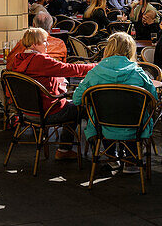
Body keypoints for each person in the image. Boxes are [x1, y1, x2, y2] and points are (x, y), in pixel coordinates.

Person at [72, 32, 157, 172]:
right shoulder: (138, 72)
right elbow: (154, 99)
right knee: (134, 113)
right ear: (131, 50)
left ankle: (111, 157)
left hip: (103, 127)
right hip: (134, 126)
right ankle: (131, 160)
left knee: (101, 113)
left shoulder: (95, 72)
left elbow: (76, 99)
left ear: (108, 48)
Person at [6, 28, 96, 159]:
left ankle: (64, 150)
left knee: (70, 106)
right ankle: (96, 152)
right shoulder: (40, 60)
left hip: (26, 112)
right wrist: (96, 67)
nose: (47, 44)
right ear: (33, 44)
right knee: (84, 108)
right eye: (44, 42)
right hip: (49, 112)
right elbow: (70, 69)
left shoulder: (18, 59)